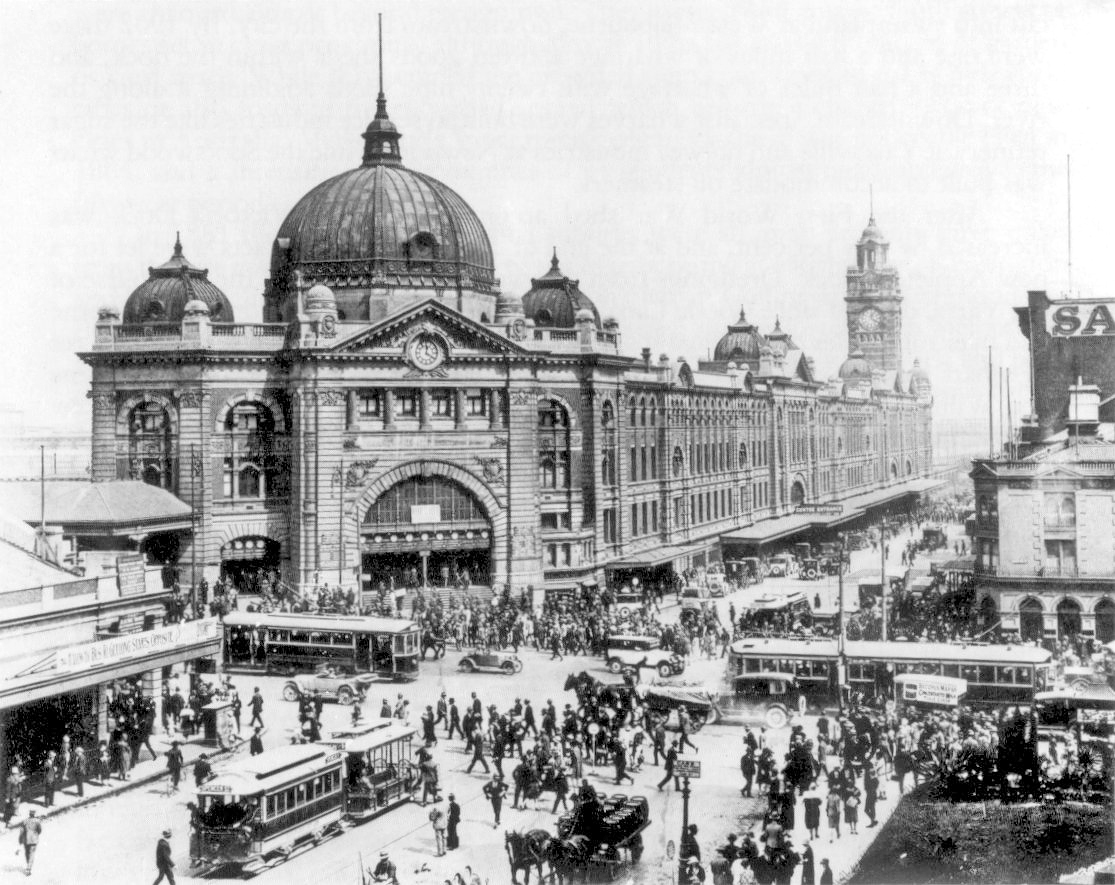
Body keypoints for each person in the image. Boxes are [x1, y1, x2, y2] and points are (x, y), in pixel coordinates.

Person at [17, 809, 42, 876]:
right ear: (34, 814)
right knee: (32, 854)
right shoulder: (37, 821)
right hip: (34, 839)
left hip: (26, 840)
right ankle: (28, 868)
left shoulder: (25, 821)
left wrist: (21, 839)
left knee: (27, 853)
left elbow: (21, 831)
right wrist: (35, 834)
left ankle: (28, 865)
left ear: (29, 814)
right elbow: (39, 830)